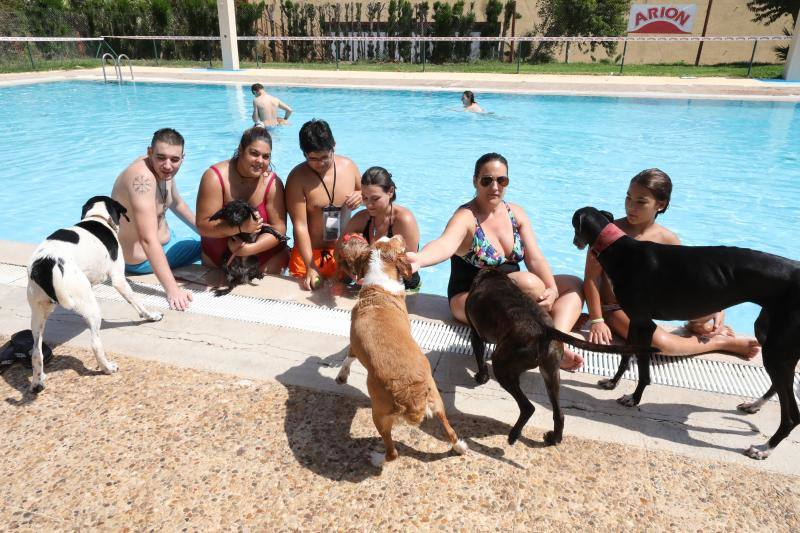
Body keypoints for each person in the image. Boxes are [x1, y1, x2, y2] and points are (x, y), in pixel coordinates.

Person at [406, 153, 585, 371]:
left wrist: (552, 290)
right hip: (472, 297)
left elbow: (535, 257)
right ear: (475, 181)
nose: (495, 187)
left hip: (513, 292)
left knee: (573, 285)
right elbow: (445, 244)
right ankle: (545, 339)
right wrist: (420, 259)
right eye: (487, 180)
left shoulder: (515, 213)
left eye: (502, 180)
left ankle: (556, 344)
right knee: (528, 283)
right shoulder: (466, 217)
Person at [583, 168, 761, 359]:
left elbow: (685, 282)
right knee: (660, 345)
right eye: (628, 198)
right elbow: (591, 279)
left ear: (660, 205)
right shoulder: (609, 234)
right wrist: (597, 320)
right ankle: (719, 342)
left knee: (708, 307)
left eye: (641, 201)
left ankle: (697, 324)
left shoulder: (668, 239)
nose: (631, 206)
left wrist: (716, 307)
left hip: (653, 306)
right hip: (616, 308)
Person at [111, 128, 200, 311]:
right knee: (214, 250)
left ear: (182, 158)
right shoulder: (142, 179)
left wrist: (208, 232)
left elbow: (177, 204)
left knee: (214, 240)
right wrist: (172, 290)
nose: (167, 165)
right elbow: (147, 239)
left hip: (166, 240)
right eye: (161, 158)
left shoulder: (163, 171)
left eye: (174, 159)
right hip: (141, 259)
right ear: (150, 152)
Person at [196, 126, 290, 274]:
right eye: (254, 153)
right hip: (217, 261)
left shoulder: (272, 183)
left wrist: (249, 249)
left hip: (266, 260)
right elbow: (202, 226)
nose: (260, 161)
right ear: (240, 149)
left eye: (266, 156)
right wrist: (240, 228)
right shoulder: (215, 178)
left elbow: (279, 229)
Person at [286, 119, 362, 290]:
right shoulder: (297, 178)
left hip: (341, 253)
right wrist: (310, 266)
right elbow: (300, 225)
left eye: (325, 157)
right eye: (313, 159)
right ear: (304, 153)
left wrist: (360, 196)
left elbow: (368, 195)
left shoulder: (349, 167)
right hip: (308, 255)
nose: (320, 163)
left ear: (333, 146)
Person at [342, 166, 421, 290]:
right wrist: (353, 275)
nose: (369, 204)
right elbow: (338, 253)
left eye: (375, 198)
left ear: (390, 192)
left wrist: (370, 275)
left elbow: (408, 264)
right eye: (365, 198)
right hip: (368, 283)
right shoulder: (361, 218)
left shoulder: (404, 220)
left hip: (403, 287)